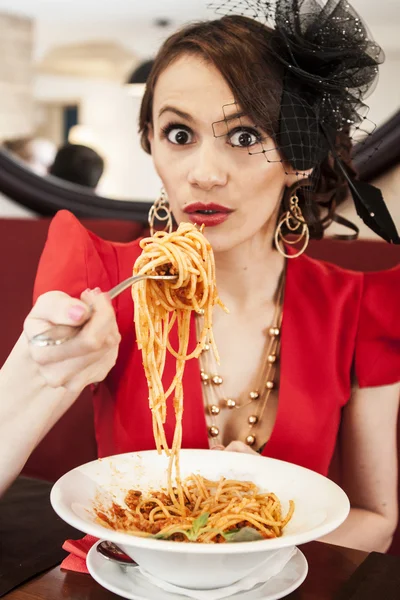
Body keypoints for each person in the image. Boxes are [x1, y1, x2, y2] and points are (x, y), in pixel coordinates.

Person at [0, 0, 399, 552]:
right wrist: (40, 372)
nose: (202, 174)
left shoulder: (359, 306)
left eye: (243, 137)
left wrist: (262, 516)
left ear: (298, 157)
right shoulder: (107, 280)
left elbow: (377, 523)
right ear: (152, 144)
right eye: (179, 135)